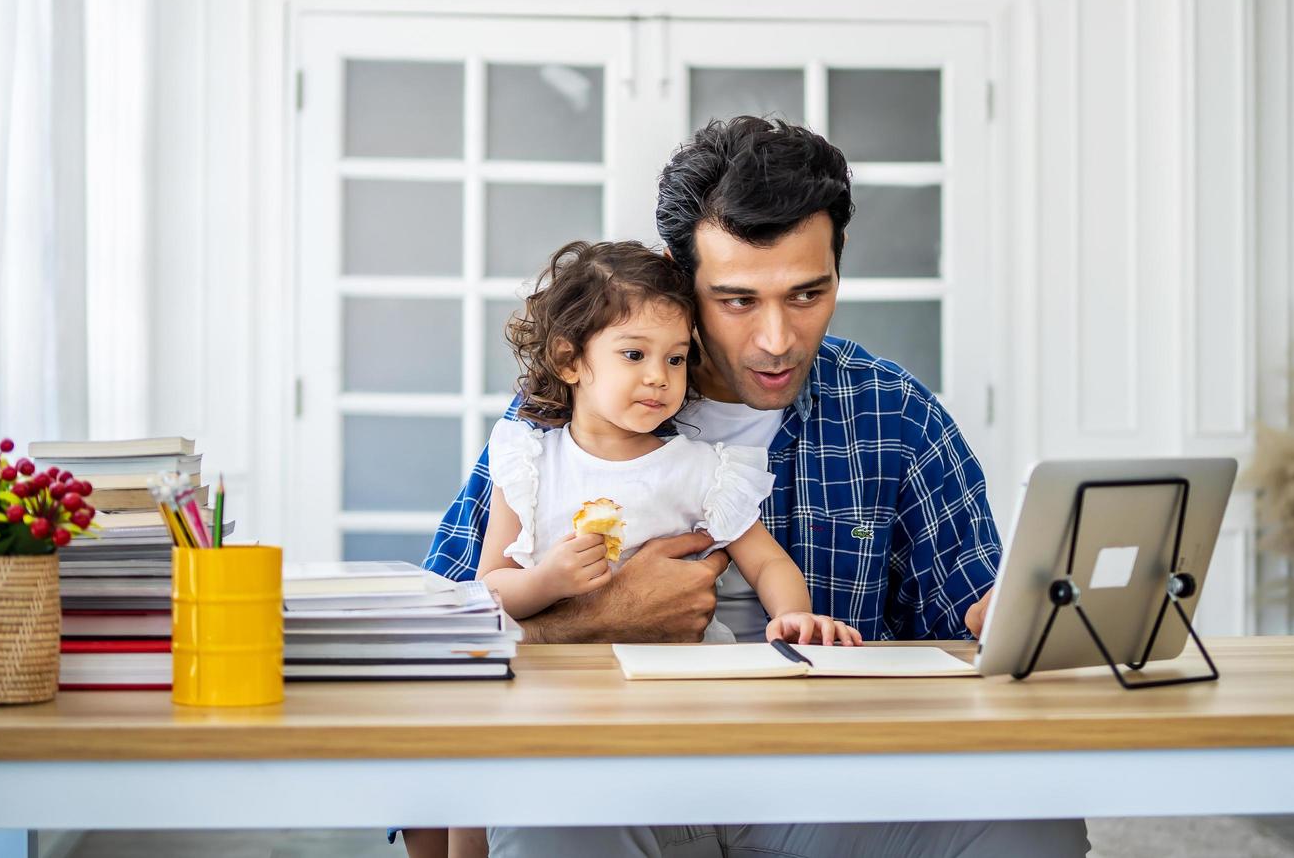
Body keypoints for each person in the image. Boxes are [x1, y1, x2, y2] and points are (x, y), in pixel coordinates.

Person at [399, 117, 1085, 858]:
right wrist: (592, 618)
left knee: (1031, 825)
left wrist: (1010, 620)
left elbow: (973, 625)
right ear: (677, 272)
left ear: (839, 260)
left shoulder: (895, 414)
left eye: (806, 294)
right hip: (610, 775)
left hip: (819, 780)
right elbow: (437, 655)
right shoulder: (560, 425)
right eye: (736, 301)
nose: (776, 339)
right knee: (544, 823)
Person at [476, 238, 861, 649]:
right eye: (634, 354)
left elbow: (767, 563)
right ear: (569, 360)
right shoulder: (529, 463)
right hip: (569, 690)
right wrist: (544, 582)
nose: (659, 376)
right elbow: (488, 590)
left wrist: (793, 615)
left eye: (675, 359)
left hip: (682, 684)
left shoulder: (702, 470)